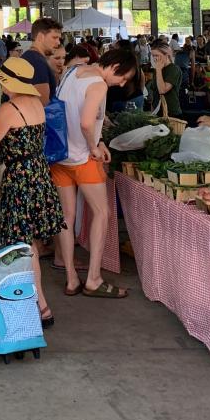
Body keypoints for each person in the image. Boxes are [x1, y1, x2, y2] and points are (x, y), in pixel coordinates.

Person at [0, 56, 64, 329]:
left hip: (19, 181)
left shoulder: (9, 108)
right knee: (31, 246)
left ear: (7, 83)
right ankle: (38, 303)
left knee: (21, 247)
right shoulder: (37, 103)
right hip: (39, 175)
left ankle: (38, 305)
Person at [51, 48, 137, 300]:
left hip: (60, 156)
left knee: (66, 216)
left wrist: (96, 142)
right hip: (82, 158)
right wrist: (93, 147)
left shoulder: (72, 71)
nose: (122, 83)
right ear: (115, 66)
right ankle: (93, 279)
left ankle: (70, 278)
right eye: (123, 77)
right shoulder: (98, 84)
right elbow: (87, 122)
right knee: (102, 213)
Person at [20, 17, 64, 106]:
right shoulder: (37, 63)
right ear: (40, 37)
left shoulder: (29, 57)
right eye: (54, 38)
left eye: (59, 38)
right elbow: (42, 103)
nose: (58, 42)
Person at [149, 40, 183, 117]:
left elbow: (162, 90)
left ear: (166, 55)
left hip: (171, 113)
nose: (155, 58)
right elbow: (155, 93)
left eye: (157, 55)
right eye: (153, 55)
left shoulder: (174, 69)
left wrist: (158, 70)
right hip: (157, 112)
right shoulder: (158, 69)